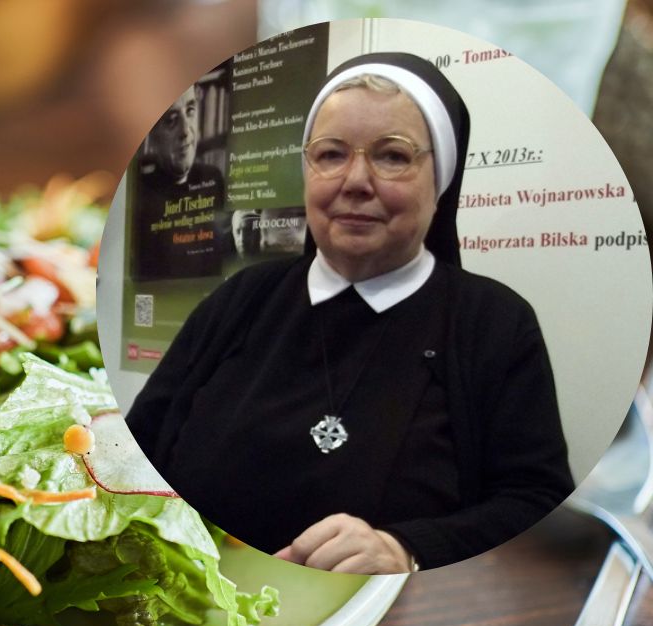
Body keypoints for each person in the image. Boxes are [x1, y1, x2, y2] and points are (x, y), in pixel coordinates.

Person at [124, 52, 574, 574]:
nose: (356, 181)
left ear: (441, 183)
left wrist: (409, 549)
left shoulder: (496, 323)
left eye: (393, 156)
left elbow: (536, 501)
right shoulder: (241, 297)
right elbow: (137, 445)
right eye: (332, 154)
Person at [131, 83, 227, 280]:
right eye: (171, 120)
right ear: (152, 136)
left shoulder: (214, 177)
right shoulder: (139, 190)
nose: (186, 131)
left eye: (190, 110)